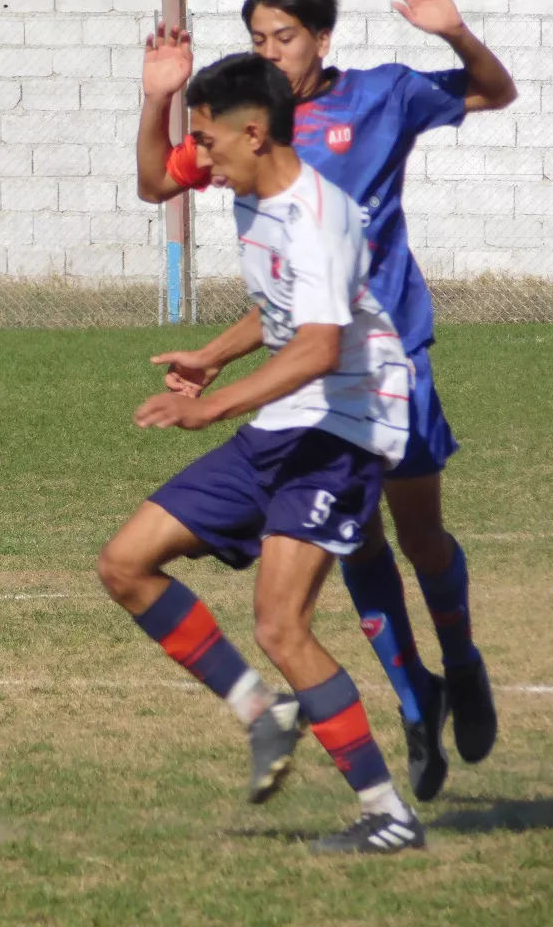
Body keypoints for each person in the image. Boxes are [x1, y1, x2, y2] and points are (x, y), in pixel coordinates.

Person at [136, 0, 516, 801]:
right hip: (313, 382)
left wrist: (451, 31)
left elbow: (495, 91)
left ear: (322, 39)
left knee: (417, 540)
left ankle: (459, 661)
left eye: (287, 37)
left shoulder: (380, 97)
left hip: (391, 362)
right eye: (260, 38)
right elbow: (161, 183)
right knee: (358, 543)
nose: (273, 52)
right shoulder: (244, 129)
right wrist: (158, 95)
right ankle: (416, 699)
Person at [101, 52, 424, 854]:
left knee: (283, 626)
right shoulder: (246, 176)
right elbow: (155, 184)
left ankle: (389, 814)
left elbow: (317, 346)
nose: (197, 159)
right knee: (125, 564)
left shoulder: (319, 216)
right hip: (286, 419)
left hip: (345, 426)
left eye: (205, 142)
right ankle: (262, 714)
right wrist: (159, 99)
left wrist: (209, 404)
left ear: (254, 132)